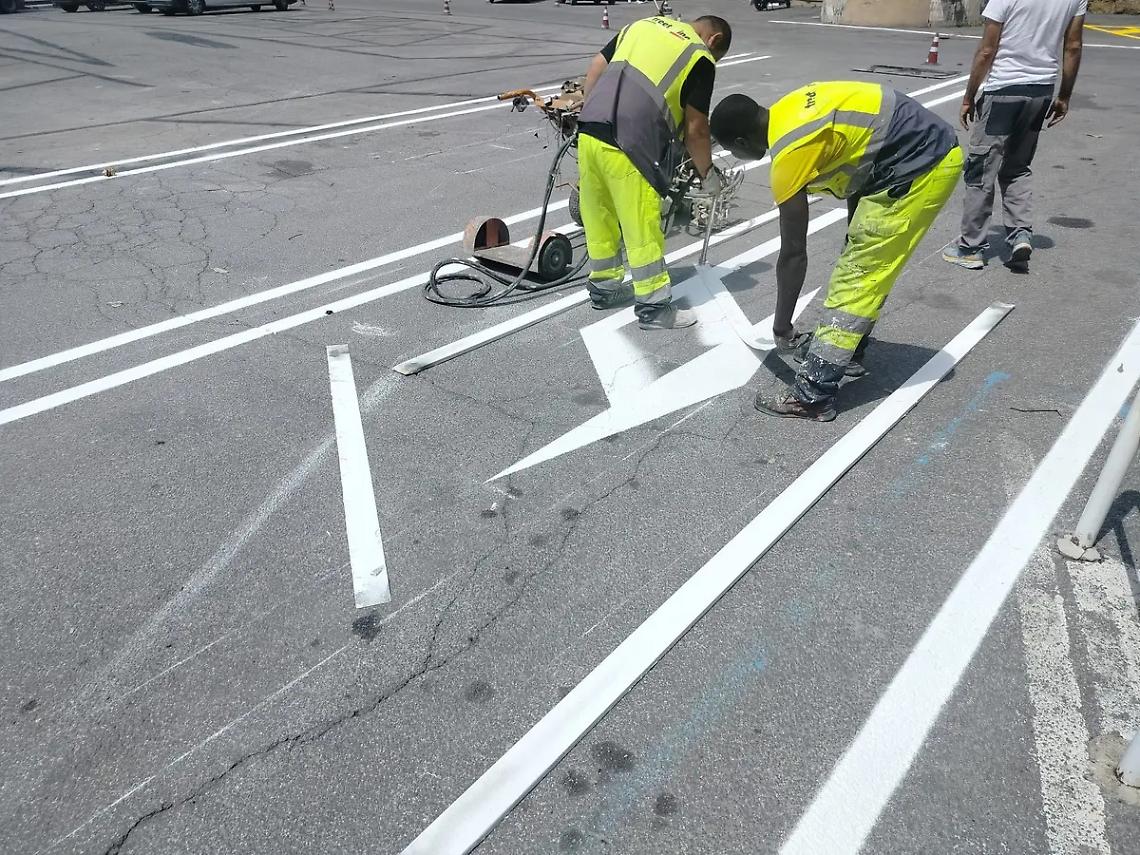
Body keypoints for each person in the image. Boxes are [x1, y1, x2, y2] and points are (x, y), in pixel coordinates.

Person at [709, 83, 961, 421]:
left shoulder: (789, 155)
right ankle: (850, 352)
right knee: (862, 262)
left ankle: (813, 395)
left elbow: (794, 253)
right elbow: (862, 159)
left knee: (856, 276)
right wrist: (854, 232)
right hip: (913, 152)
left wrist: (782, 326)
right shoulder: (789, 108)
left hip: (919, 164)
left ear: (741, 143)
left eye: (731, 151)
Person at [576, 15, 731, 330]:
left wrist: (591, 115)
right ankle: (654, 307)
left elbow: (595, 67)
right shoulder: (699, 56)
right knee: (641, 225)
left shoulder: (642, 25)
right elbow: (696, 128)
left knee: (599, 215)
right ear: (713, 41)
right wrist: (708, 175)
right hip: (633, 143)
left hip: (590, 132)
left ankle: (603, 289)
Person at [942, 0, 1086, 271]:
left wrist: (969, 96)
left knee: (981, 170)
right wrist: (1064, 95)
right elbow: (1073, 46)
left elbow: (987, 50)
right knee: (1017, 168)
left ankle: (971, 247)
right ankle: (1020, 233)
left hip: (1003, 91)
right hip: (1040, 92)